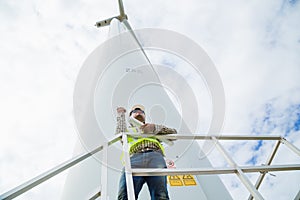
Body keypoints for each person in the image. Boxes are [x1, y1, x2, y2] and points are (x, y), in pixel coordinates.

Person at [116, 104, 177, 200]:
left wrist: (154, 128)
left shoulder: (152, 128)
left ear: (145, 116)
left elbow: (173, 134)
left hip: (155, 156)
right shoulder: (129, 131)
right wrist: (121, 115)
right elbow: (119, 133)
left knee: (160, 195)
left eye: (141, 111)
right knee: (125, 195)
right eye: (135, 111)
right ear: (130, 116)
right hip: (134, 159)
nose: (138, 112)